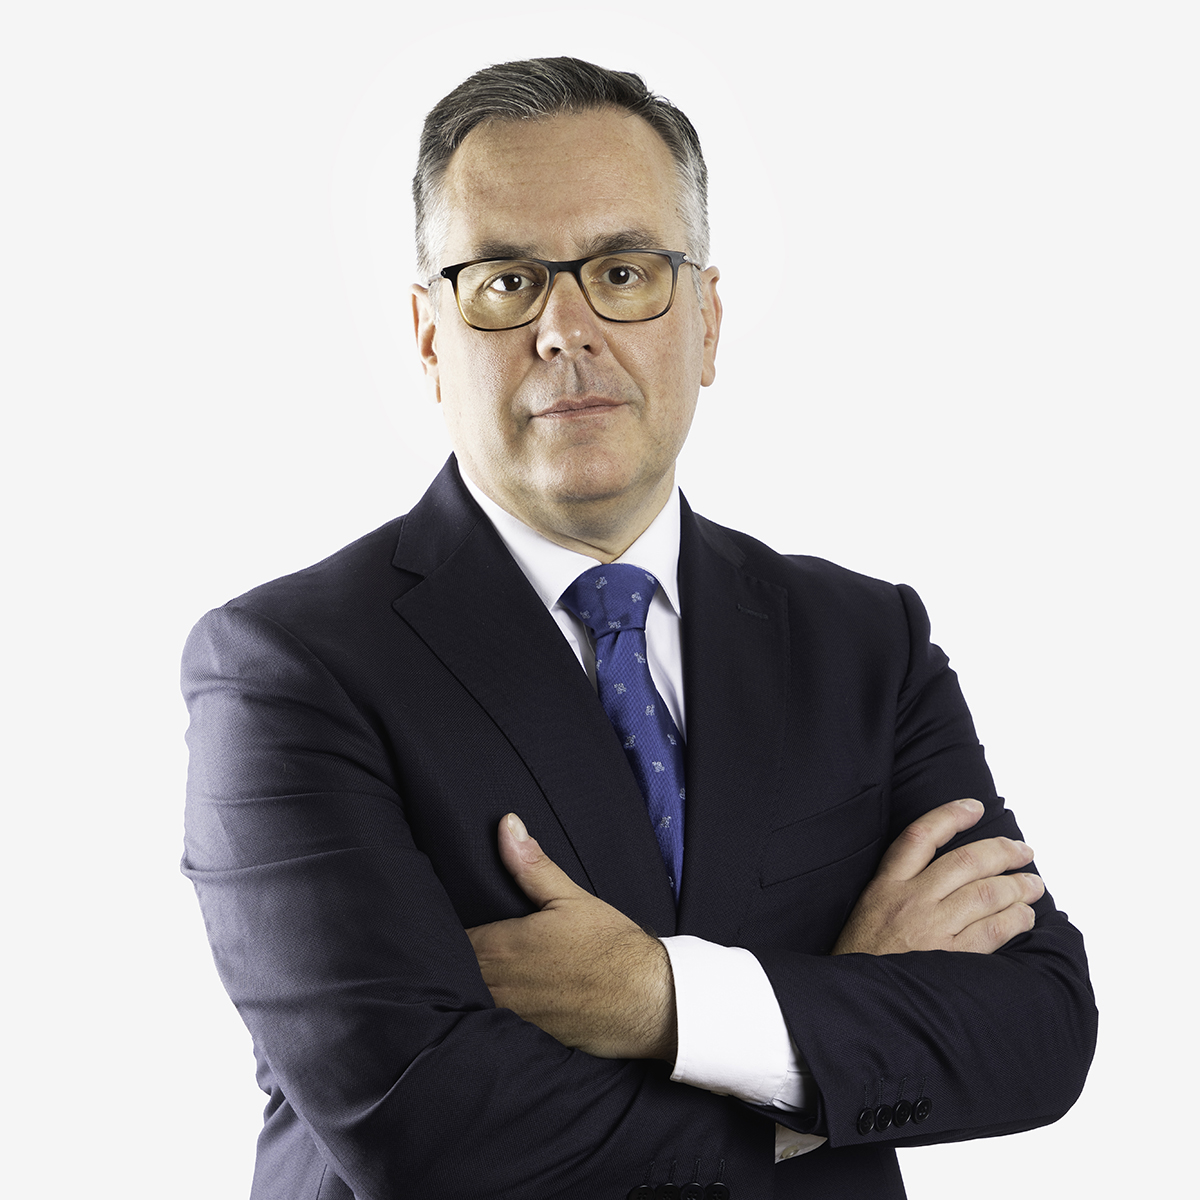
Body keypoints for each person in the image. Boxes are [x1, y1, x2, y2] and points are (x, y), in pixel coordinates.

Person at [182, 57, 1096, 1200]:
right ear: (428, 338)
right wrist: (821, 1056)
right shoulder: (286, 671)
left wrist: (660, 999)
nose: (566, 330)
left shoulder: (867, 644)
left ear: (706, 322)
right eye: (505, 282)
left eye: (623, 272)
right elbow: (427, 1130)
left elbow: (1038, 1028)